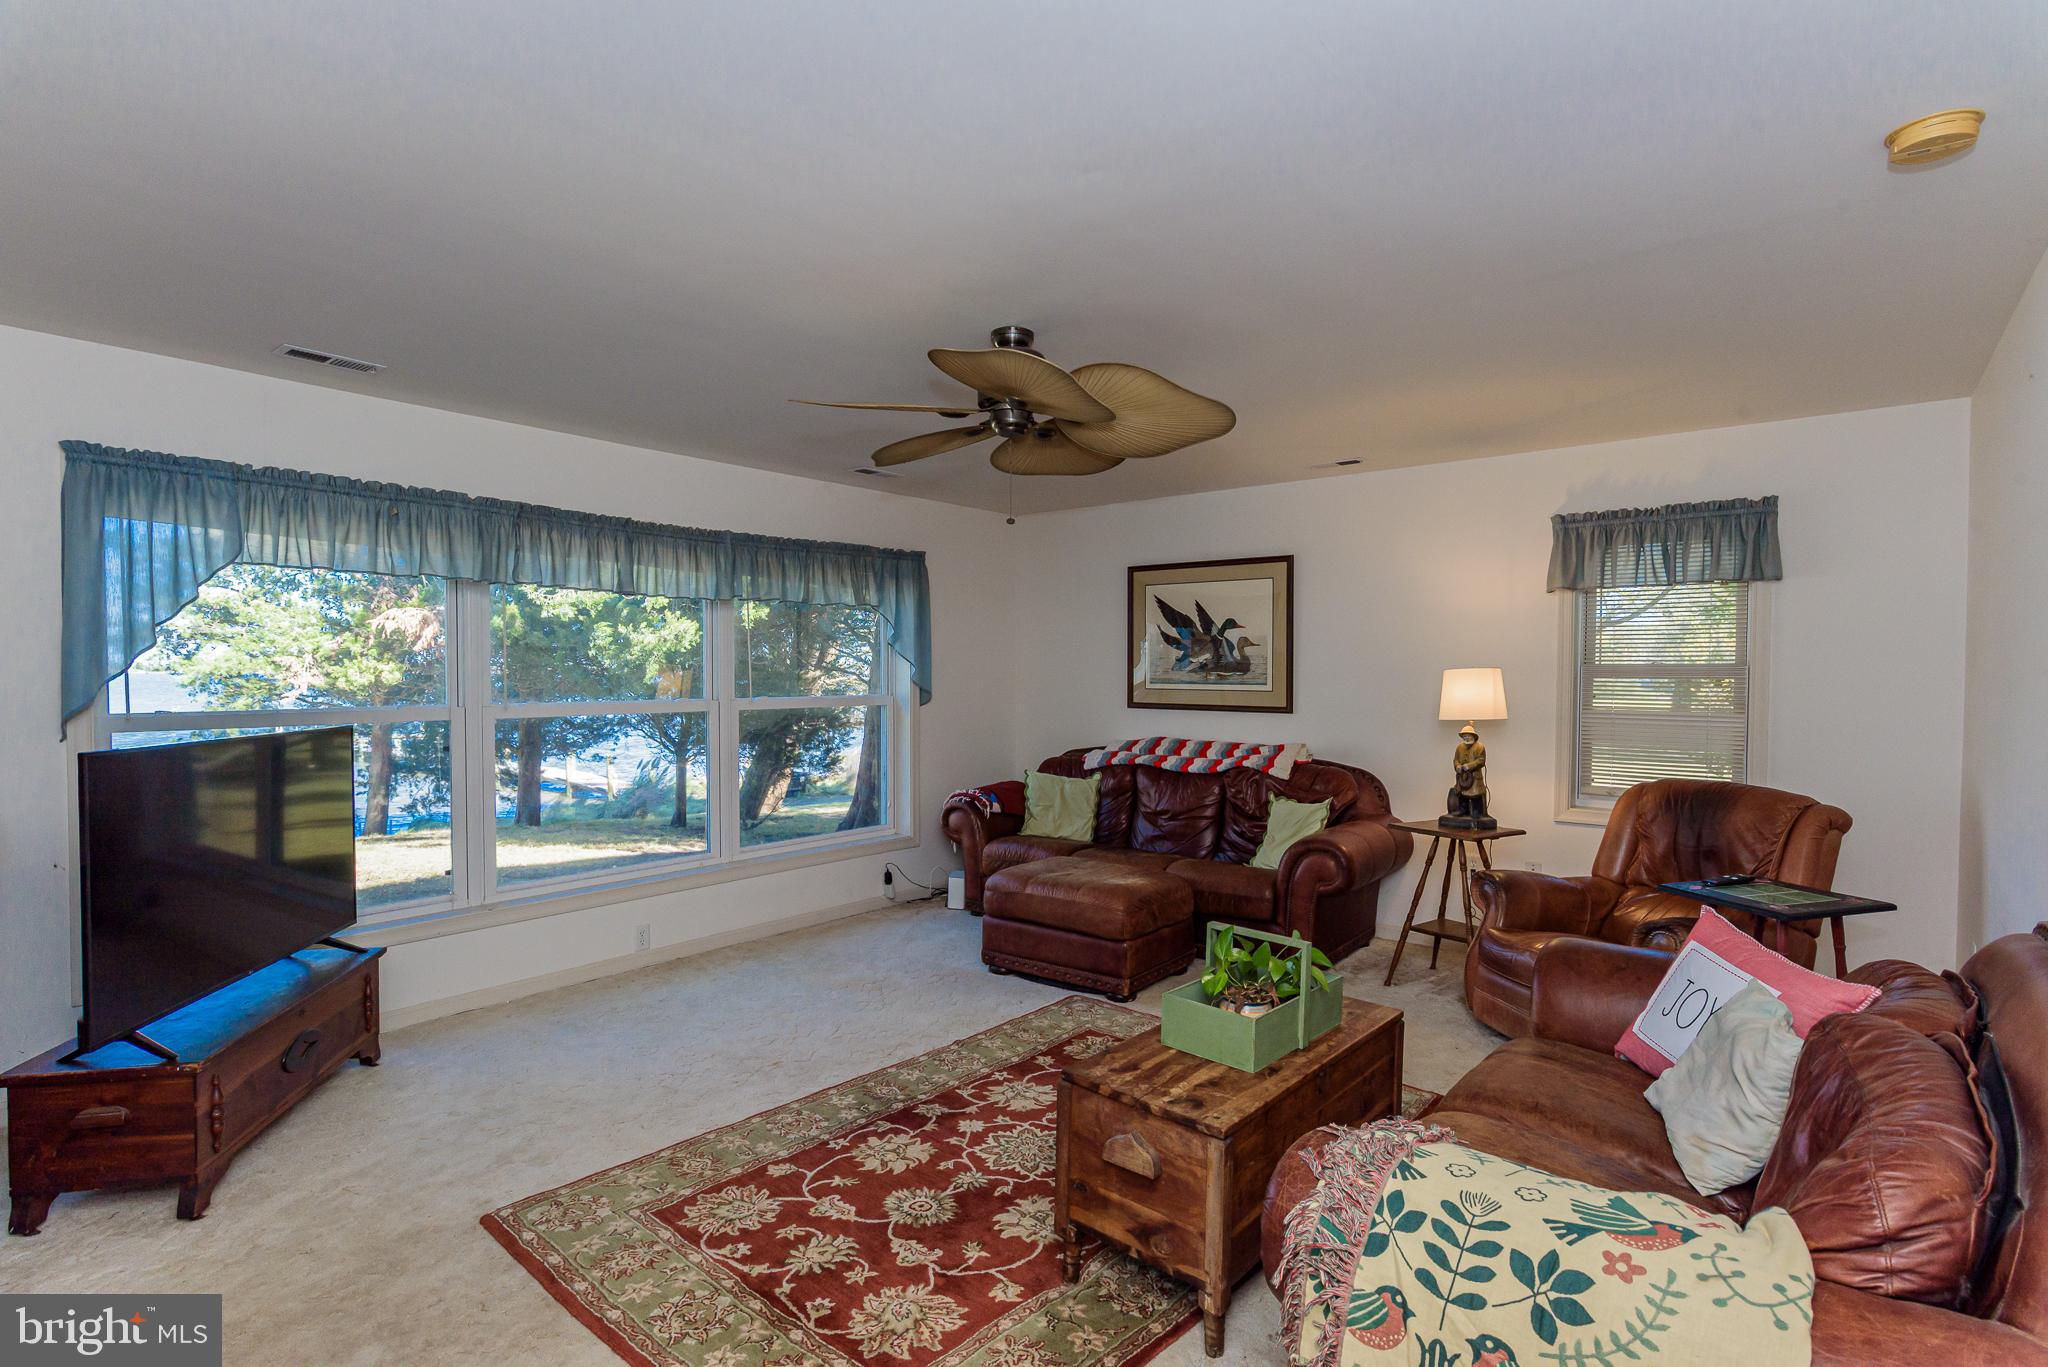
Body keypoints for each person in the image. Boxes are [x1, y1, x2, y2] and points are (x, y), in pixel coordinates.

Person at [1446, 723, 1496, 828]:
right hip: (1462, 778)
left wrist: (1469, 766)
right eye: (1464, 736)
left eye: (1468, 735)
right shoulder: (1459, 747)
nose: (1466, 737)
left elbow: (1481, 761)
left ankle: (1477, 812)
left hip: (1475, 778)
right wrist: (1458, 766)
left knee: (1475, 795)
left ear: (1473, 736)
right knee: (1462, 794)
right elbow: (1455, 760)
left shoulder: (1480, 747)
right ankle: (1462, 811)